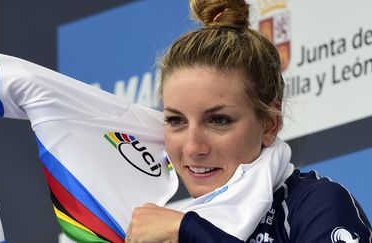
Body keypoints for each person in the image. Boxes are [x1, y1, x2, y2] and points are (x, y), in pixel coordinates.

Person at [125, 0, 372, 242]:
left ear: (270, 123)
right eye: (176, 120)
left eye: (218, 120)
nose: (192, 148)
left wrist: (191, 233)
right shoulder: (172, 229)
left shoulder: (316, 204)